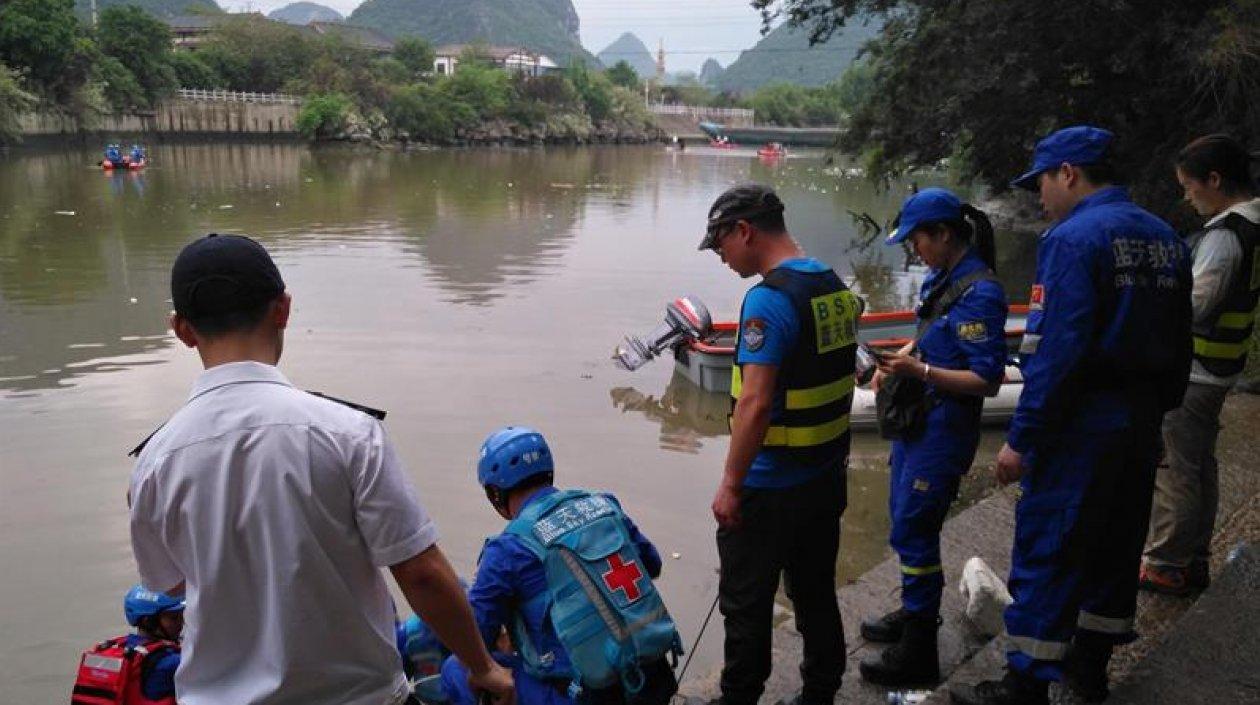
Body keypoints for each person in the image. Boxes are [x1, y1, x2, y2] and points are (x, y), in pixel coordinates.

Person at [128, 233, 514, 705]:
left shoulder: (155, 462)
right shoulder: (347, 433)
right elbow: (420, 572)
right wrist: (483, 666)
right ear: (283, 309)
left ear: (182, 330)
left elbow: (172, 582)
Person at [949, 126, 1192, 705]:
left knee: (1050, 547)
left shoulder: (1072, 239)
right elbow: (1181, 341)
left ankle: (1024, 684)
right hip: (1138, 421)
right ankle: (1089, 669)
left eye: (1042, 182)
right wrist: (1158, 419)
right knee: (1115, 544)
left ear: (1069, 173)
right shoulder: (1167, 238)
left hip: (1080, 424)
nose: (1039, 196)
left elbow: (1055, 351)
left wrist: (1022, 438)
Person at [698, 184, 857, 705]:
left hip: (771, 488)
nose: (720, 256)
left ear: (744, 230)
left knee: (746, 604)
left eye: (720, 243)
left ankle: (739, 697)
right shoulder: (833, 285)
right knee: (815, 595)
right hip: (825, 476)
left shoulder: (767, 300)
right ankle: (820, 693)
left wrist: (730, 484)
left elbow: (756, 405)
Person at [859, 189, 1009, 687]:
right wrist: (897, 363)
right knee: (902, 523)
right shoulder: (942, 279)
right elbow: (927, 332)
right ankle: (912, 612)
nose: (914, 250)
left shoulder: (981, 294)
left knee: (917, 531)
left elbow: (985, 380)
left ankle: (919, 650)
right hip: (917, 426)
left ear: (944, 234)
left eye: (918, 240)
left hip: (944, 433)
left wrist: (918, 370)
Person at [441, 426, 680, 705]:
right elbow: (652, 565)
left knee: (454, 670)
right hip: (650, 679)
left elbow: (474, 636)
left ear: (495, 493)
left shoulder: (505, 550)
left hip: (583, 696)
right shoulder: (605, 505)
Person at [1140, 135, 1260, 595]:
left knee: (1175, 469)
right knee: (1199, 464)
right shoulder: (1250, 227)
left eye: (1190, 187)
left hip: (1195, 371)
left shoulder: (1225, 237)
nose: (1187, 197)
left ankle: (1166, 562)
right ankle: (1194, 557)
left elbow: (1193, 309)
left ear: (1215, 180)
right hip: (1222, 367)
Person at [72, 585, 184, 705]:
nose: (181, 622)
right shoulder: (170, 662)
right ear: (148, 621)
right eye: (173, 617)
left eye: (182, 615)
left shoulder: (115, 647)